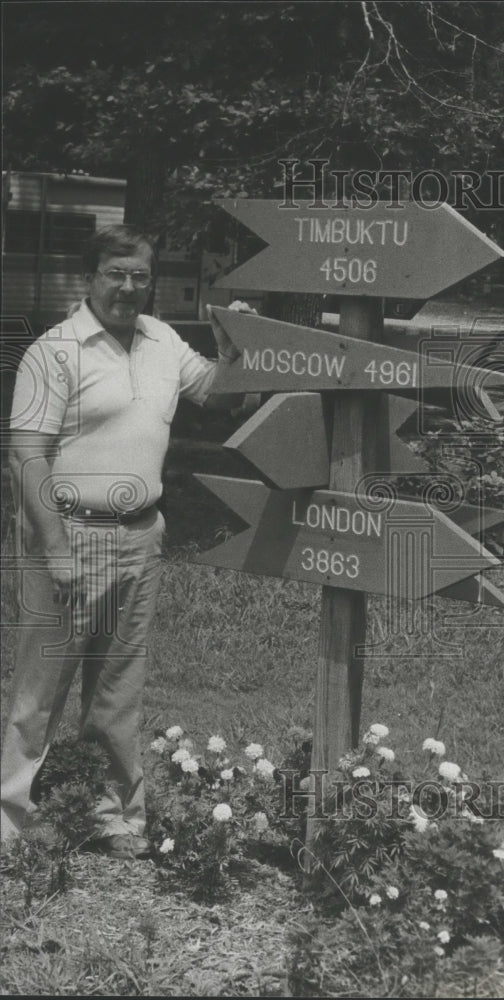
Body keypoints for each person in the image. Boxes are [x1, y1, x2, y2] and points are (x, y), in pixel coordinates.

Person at [1, 224, 248, 859]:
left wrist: (234, 352)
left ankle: (116, 818)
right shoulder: (55, 352)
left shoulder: (162, 340)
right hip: (70, 535)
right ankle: (12, 823)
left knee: (117, 690)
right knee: (41, 689)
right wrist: (54, 548)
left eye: (140, 275)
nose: (128, 287)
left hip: (141, 539)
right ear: (91, 276)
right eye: (116, 272)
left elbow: (219, 397)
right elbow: (26, 455)